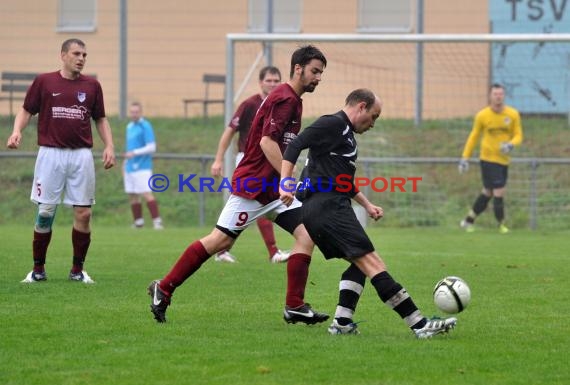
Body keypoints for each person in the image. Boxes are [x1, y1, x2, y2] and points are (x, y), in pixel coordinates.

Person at [148, 45, 329, 325]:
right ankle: (165, 287)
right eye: (315, 71)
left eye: (321, 73)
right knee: (220, 240)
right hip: (255, 186)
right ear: (298, 68)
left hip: (271, 188)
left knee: (306, 235)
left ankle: (294, 305)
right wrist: (286, 179)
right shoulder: (285, 99)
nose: (318, 78)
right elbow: (266, 142)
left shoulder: (293, 98)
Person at [279, 88, 458, 339]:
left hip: (326, 206)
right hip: (327, 207)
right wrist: (285, 183)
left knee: (360, 264)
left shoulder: (346, 136)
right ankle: (419, 325)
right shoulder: (332, 123)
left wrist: (367, 204)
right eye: (373, 116)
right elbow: (295, 145)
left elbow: (342, 181)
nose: (373, 123)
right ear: (361, 106)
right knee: (373, 264)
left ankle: (342, 322)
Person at [6, 38, 116, 284]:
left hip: (81, 156)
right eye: (77, 53)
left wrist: (109, 145)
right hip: (50, 154)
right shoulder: (44, 81)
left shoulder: (92, 85)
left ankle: (77, 271)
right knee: (45, 212)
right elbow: (26, 110)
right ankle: (38, 270)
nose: (81, 58)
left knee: (84, 213)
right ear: (63, 55)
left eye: (85, 55)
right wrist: (17, 131)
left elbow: (100, 118)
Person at [210, 66, 289, 263]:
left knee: (260, 205)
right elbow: (229, 131)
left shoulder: (282, 105)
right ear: (260, 82)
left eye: (276, 80)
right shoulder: (249, 105)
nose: (272, 84)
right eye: (269, 80)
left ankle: (222, 249)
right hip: (249, 161)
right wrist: (218, 159)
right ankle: (273, 252)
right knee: (258, 203)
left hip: (270, 161)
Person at [458, 83, 523, 234]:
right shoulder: (483, 115)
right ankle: (501, 225)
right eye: (495, 94)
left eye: (501, 94)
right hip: (488, 159)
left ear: (504, 96)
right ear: (490, 96)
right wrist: (464, 158)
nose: (498, 97)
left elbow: (519, 135)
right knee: (499, 191)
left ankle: (468, 220)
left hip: (503, 160)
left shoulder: (512, 114)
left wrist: (511, 145)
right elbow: (473, 137)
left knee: (488, 192)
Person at [123, 101, 163, 230]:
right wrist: (125, 162)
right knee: (132, 194)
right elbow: (130, 147)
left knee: (146, 193)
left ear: (140, 112)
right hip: (130, 166)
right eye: (132, 112)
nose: (134, 114)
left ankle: (157, 222)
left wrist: (134, 153)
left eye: (136, 112)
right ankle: (138, 222)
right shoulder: (129, 126)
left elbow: (152, 147)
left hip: (143, 166)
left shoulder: (145, 126)